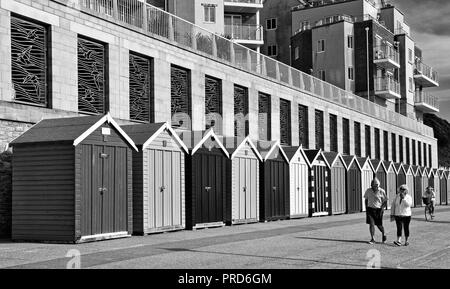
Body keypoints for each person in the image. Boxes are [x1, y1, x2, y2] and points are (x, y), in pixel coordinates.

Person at [364, 178, 388, 245]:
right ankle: (372, 238)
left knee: (379, 225)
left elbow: (385, 201)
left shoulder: (382, 191)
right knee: (371, 224)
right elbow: (366, 199)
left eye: (376, 185)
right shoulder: (368, 191)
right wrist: (366, 207)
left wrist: (382, 208)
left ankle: (384, 233)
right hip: (370, 209)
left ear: (378, 185)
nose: (375, 187)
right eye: (373, 185)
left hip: (378, 210)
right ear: (371, 185)